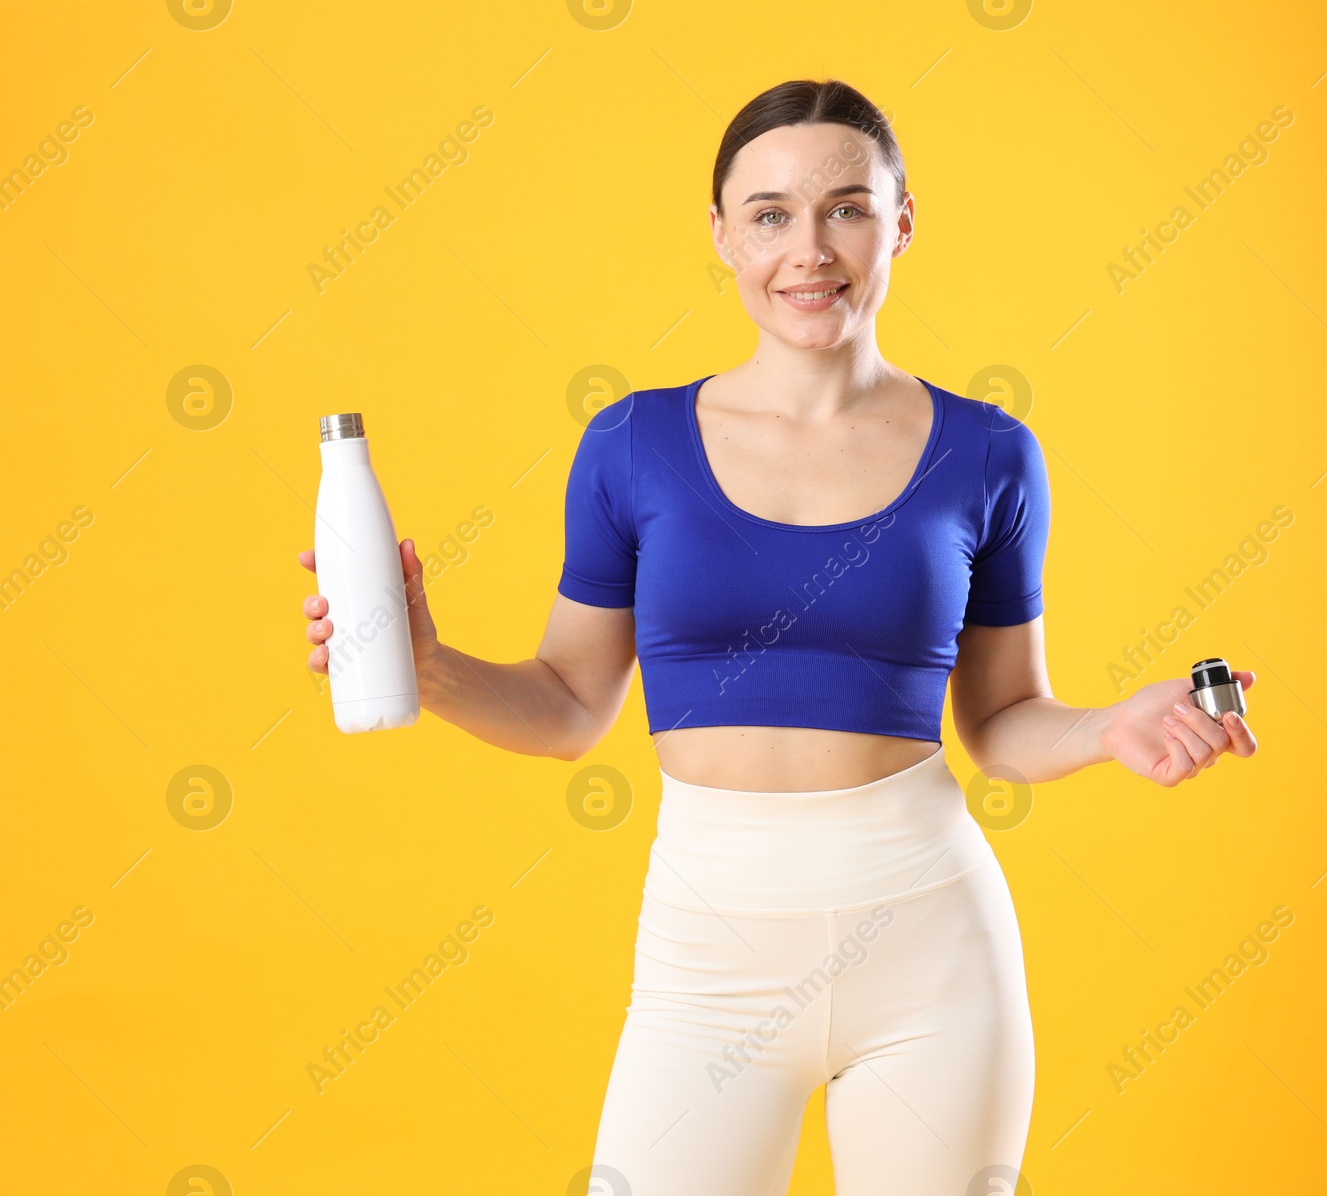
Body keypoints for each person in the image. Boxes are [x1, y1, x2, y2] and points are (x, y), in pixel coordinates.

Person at [298, 78, 1258, 1196]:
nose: (809, 250)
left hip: (928, 946)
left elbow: (999, 722)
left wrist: (1112, 725)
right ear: (719, 235)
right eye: (768, 215)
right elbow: (568, 705)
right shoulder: (630, 444)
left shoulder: (992, 454)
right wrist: (425, 666)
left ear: (900, 222)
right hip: (707, 959)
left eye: (846, 209)